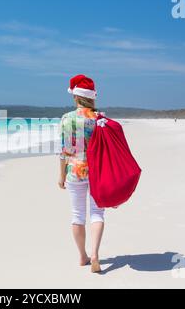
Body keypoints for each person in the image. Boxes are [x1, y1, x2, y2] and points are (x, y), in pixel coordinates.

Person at [58, 74, 105, 273]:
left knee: (77, 216)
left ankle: (83, 256)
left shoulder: (66, 119)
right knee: (97, 213)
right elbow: (106, 149)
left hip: (75, 171)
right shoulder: (99, 118)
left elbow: (64, 150)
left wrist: (61, 175)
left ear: (76, 97)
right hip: (96, 171)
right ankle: (94, 253)